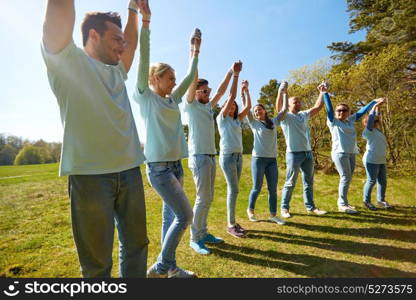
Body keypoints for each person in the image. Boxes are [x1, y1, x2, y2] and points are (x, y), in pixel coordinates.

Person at [41, 0, 148, 277]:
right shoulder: (66, 61)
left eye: (122, 41)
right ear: (93, 35)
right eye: (116, 39)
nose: (122, 47)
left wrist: (133, 11)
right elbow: (59, 13)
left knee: (137, 246)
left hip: (130, 172)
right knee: (97, 265)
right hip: (90, 178)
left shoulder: (116, 70)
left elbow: (132, 45)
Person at [132, 0, 199, 278]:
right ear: (155, 79)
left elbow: (190, 76)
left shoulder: (172, 100)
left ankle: (169, 268)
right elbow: (143, 59)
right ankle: (161, 267)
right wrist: (146, 24)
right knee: (186, 216)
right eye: (168, 78)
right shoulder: (145, 97)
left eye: (173, 78)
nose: (173, 82)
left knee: (170, 217)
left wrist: (194, 51)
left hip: (176, 165)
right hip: (158, 168)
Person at [184, 61, 239, 255]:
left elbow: (224, 91)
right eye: (204, 91)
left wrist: (231, 72)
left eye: (209, 91)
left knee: (208, 198)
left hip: (210, 155)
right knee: (202, 198)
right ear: (196, 92)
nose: (209, 94)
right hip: (198, 157)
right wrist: (195, 53)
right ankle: (194, 238)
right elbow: (192, 79)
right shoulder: (190, 105)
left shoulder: (208, 107)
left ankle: (203, 233)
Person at [323, 90, 382, 213]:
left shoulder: (350, 120)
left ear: (348, 112)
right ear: (336, 112)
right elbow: (329, 110)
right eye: (339, 110)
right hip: (340, 153)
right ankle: (342, 204)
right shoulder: (333, 122)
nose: (341, 112)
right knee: (345, 177)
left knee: (348, 178)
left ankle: (345, 202)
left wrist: (373, 102)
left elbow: (361, 112)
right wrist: (325, 93)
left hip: (351, 153)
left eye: (344, 110)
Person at [278, 82, 328, 218]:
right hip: (293, 154)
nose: (298, 103)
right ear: (288, 105)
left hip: (307, 153)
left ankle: (311, 207)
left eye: (299, 101)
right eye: (295, 102)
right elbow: (279, 108)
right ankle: (284, 208)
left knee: (308, 182)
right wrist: (283, 92)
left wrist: (322, 92)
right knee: (290, 182)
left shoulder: (303, 114)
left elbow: (318, 107)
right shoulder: (285, 117)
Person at [245, 80, 288, 225]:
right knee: (256, 187)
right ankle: (250, 211)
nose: (257, 112)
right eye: (255, 111)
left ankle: (273, 215)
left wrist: (284, 93)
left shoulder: (273, 122)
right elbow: (247, 107)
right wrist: (245, 91)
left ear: (265, 111)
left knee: (272, 189)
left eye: (260, 109)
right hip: (258, 159)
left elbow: (284, 110)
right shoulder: (254, 123)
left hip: (272, 160)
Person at [216, 64, 252, 238]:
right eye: (228, 106)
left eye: (233, 106)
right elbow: (231, 96)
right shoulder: (222, 119)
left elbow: (248, 106)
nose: (231, 107)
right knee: (233, 189)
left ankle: (233, 221)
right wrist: (236, 75)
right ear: (224, 107)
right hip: (228, 157)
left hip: (238, 157)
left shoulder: (237, 120)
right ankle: (230, 224)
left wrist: (246, 91)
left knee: (235, 190)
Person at [361, 99, 393, 210]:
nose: (375, 122)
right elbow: (371, 118)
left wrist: (378, 108)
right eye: (373, 122)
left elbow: (376, 116)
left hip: (380, 160)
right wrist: (375, 105)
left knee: (383, 181)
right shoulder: (368, 132)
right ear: (366, 124)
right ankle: (367, 201)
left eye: (376, 122)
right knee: (371, 180)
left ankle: (381, 201)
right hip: (371, 160)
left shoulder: (378, 131)